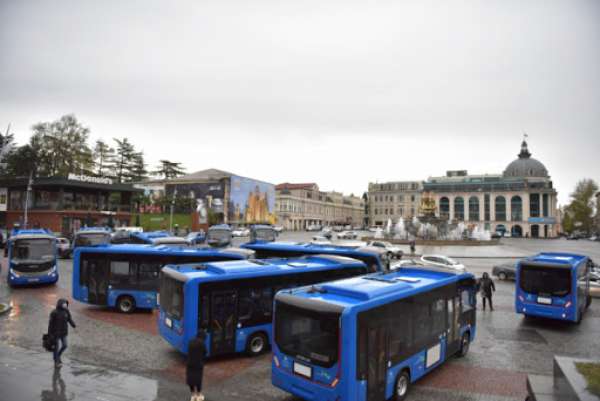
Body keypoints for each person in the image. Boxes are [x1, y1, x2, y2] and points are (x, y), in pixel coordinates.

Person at [47, 298, 76, 368]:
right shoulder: (54, 312)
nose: (65, 305)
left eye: (66, 304)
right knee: (56, 348)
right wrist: (50, 334)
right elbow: (50, 324)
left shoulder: (66, 311)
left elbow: (69, 318)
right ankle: (56, 362)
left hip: (64, 333)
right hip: (55, 334)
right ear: (60, 304)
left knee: (65, 345)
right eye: (64, 304)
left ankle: (58, 355)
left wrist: (73, 324)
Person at [186, 331, 207, 401]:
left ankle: (193, 395)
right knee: (198, 380)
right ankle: (199, 395)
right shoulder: (202, 343)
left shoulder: (190, 342)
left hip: (190, 363)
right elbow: (205, 352)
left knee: (191, 379)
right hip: (198, 364)